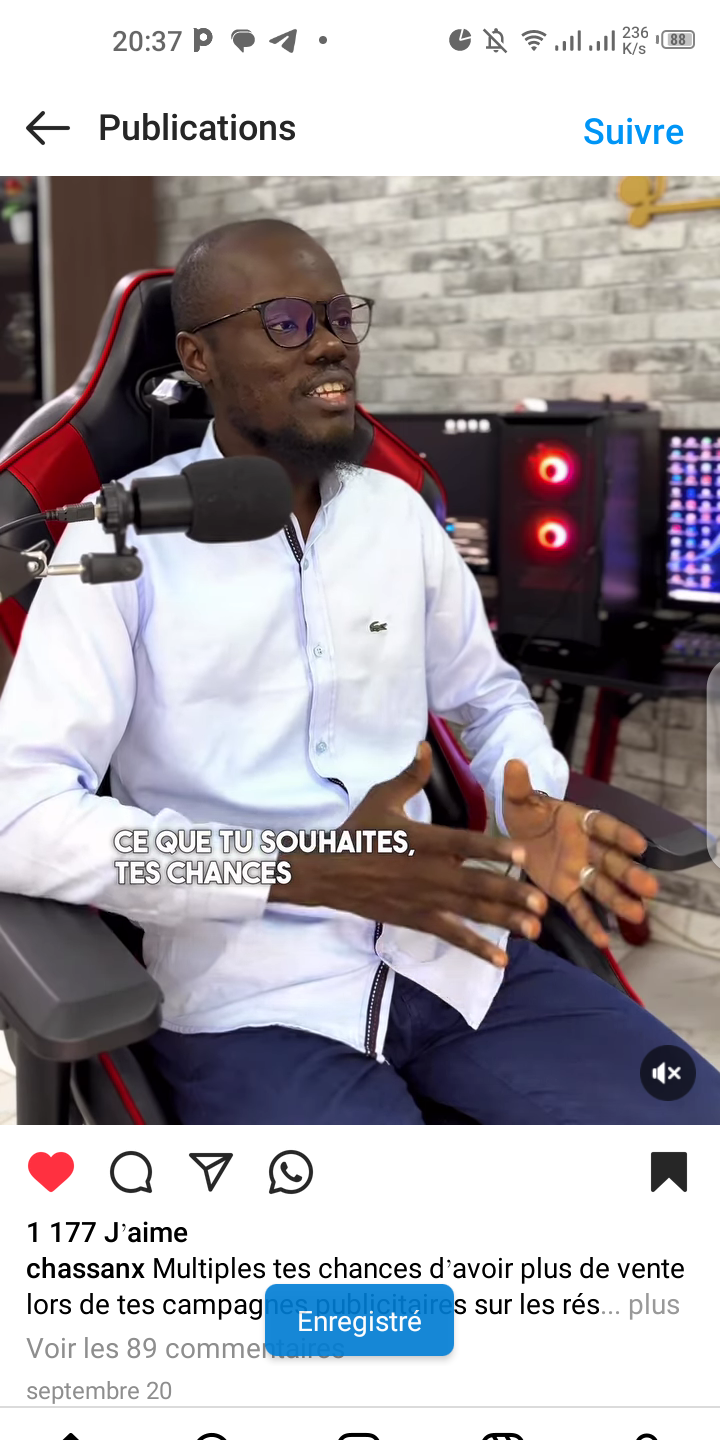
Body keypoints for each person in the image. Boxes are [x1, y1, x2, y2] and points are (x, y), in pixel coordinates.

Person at [0, 218, 717, 1126]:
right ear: (198, 357)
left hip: (455, 953)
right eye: (287, 322)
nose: (332, 342)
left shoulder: (398, 517)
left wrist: (526, 794)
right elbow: (21, 817)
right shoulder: (118, 541)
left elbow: (488, 697)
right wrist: (302, 870)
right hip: (253, 996)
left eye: (339, 316)